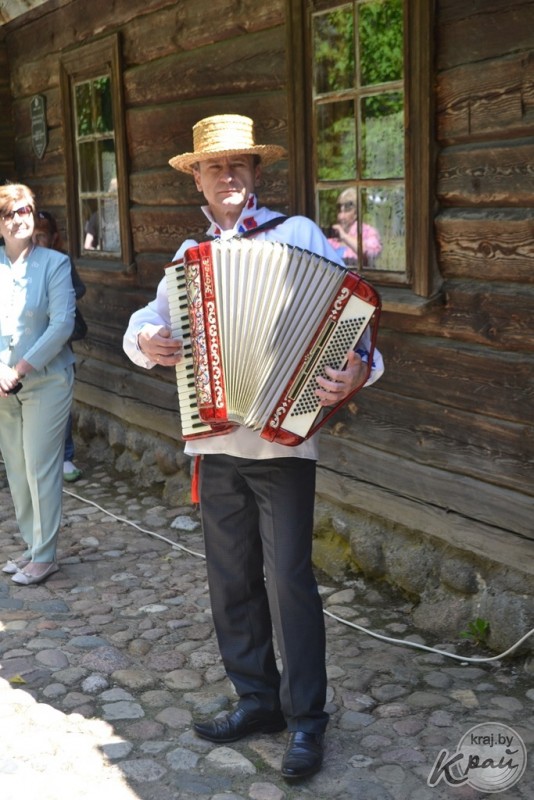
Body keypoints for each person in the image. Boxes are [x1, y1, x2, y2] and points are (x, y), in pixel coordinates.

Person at [123, 114, 384, 781]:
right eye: (215, 167)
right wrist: (146, 345)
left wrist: (358, 370)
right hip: (215, 441)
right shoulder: (188, 260)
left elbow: (347, 321)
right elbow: (142, 327)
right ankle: (257, 699)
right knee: (231, 579)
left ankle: (306, 722)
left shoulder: (297, 235)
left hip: (285, 443)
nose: (228, 175)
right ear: (198, 184)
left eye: (239, 163)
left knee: (290, 582)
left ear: (257, 174)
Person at [0, 183, 75, 585]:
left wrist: (20, 368)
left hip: (47, 380)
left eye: (25, 210)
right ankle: (32, 546)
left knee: (40, 467)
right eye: (10, 213)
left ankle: (45, 556)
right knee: (16, 467)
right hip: (2, 385)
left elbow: (62, 324)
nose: (19, 219)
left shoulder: (55, 264)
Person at [33, 210, 86, 482]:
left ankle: (65, 457)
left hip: (58, 345)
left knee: (60, 401)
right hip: (24, 346)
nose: (35, 241)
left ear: (53, 238)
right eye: (32, 236)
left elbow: (79, 290)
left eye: (41, 236)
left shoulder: (60, 261)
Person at [327, 187, 382, 267]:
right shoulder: (333, 236)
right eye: (339, 211)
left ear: (356, 213)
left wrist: (345, 237)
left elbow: (371, 254)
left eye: (347, 211)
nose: (341, 217)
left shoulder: (368, 232)